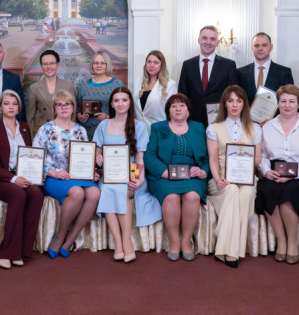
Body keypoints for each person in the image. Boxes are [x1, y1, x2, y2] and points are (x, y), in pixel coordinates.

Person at [256, 85, 299, 265]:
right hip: (274, 172)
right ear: (277, 103)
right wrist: (266, 171)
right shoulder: (267, 126)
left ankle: (292, 241)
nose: (287, 105)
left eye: (292, 101)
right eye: (283, 101)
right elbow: (262, 156)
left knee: (289, 193)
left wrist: (294, 175)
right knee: (265, 189)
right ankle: (281, 241)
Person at [94, 87, 159, 263]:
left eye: (124, 100)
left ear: (130, 103)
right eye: (117, 101)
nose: (120, 104)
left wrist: (138, 179)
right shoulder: (103, 125)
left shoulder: (140, 126)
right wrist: (98, 156)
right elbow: (97, 149)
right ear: (112, 104)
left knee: (121, 191)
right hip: (108, 175)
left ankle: (127, 241)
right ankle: (118, 243)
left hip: (131, 173)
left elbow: (139, 158)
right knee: (107, 189)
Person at [33, 90, 100, 259]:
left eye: (67, 104)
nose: (64, 107)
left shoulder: (81, 131)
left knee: (94, 192)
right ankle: (61, 236)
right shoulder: (45, 129)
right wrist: (53, 172)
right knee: (77, 192)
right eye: (59, 104)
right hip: (52, 176)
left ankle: (72, 237)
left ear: (73, 107)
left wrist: (90, 171)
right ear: (54, 108)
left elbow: (87, 156)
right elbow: (35, 157)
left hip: (77, 175)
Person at [0, 90, 44, 269]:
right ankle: (8, 252)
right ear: (0, 107)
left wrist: (34, 176)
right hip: (0, 179)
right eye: (6, 103)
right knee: (18, 195)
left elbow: (29, 156)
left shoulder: (24, 127)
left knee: (37, 195)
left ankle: (23, 250)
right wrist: (13, 178)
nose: (10, 107)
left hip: (21, 175)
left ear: (19, 108)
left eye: (14, 104)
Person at [144, 94, 210, 262]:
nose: (178, 109)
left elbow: (209, 157)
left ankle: (186, 242)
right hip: (165, 176)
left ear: (188, 110)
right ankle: (174, 242)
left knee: (192, 196)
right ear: (168, 111)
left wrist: (203, 172)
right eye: (173, 106)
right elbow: (149, 156)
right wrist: (164, 172)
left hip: (192, 175)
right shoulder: (159, 127)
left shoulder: (198, 127)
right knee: (171, 196)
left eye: (182, 105)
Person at [206, 85, 262, 268]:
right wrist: (217, 178)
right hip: (222, 178)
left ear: (245, 104)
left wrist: (243, 152)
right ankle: (232, 252)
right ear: (225, 104)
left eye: (239, 101)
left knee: (245, 194)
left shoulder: (255, 128)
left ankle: (225, 250)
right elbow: (213, 159)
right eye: (230, 101)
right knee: (230, 191)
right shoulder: (214, 128)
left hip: (246, 179)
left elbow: (258, 159)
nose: (235, 105)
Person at [177, 25, 239, 128]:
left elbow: (233, 96)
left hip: (220, 121)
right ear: (198, 40)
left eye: (212, 39)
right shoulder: (187, 65)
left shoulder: (229, 65)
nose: (208, 42)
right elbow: (182, 95)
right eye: (204, 38)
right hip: (192, 121)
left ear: (217, 42)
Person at [26, 49, 76, 136]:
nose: (49, 67)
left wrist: (70, 135)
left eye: (52, 63)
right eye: (45, 64)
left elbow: (73, 115)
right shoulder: (33, 88)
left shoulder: (68, 86)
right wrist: (31, 141)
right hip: (41, 135)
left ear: (57, 65)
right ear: (41, 66)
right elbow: (30, 118)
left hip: (63, 134)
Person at [76, 50, 123, 140]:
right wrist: (79, 116)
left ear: (107, 65)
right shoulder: (83, 86)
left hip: (109, 133)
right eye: (96, 63)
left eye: (102, 63)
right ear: (92, 65)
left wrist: (108, 117)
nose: (99, 66)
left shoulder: (117, 85)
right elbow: (77, 108)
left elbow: (124, 111)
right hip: (86, 134)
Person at [237, 32, 294, 105]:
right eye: (256, 45)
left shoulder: (284, 72)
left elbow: (290, 99)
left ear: (271, 47)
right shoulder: (240, 72)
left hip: (275, 116)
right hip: (247, 116)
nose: (260, 48)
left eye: (264, 45)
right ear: (252, 48)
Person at [134, 50, 178, 127]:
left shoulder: (170, 84)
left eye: (156, 62)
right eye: (149, 62)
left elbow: (173, 111)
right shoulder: (138, 82)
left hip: (160, 130)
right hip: (139, 129)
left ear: (162, 65)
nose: (151, 65)